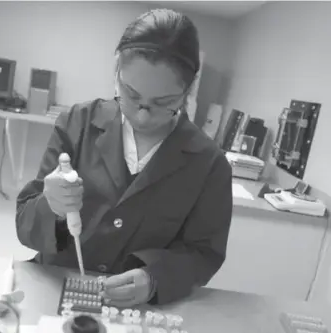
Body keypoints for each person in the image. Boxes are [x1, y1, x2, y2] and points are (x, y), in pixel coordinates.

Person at [16, 8, 233, 307]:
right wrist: (49, 206)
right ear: (116, 71)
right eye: (131, 95)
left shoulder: (209, 164)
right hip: (55, 290)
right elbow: (25, 224)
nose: (143, 116)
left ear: (188, 90)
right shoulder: (77, 124)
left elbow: (204, 254)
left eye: (163, 103)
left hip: (134, 310)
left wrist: (156, 278)